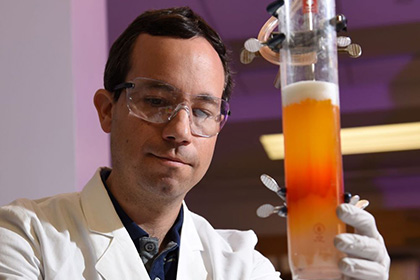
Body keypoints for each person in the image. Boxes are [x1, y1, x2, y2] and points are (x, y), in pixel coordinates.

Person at [0, 6, 390, 280]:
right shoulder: (24, 237)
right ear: (107, 110)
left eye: (203, 111)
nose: (180, 130)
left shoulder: (241, 266)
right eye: (156, 101)